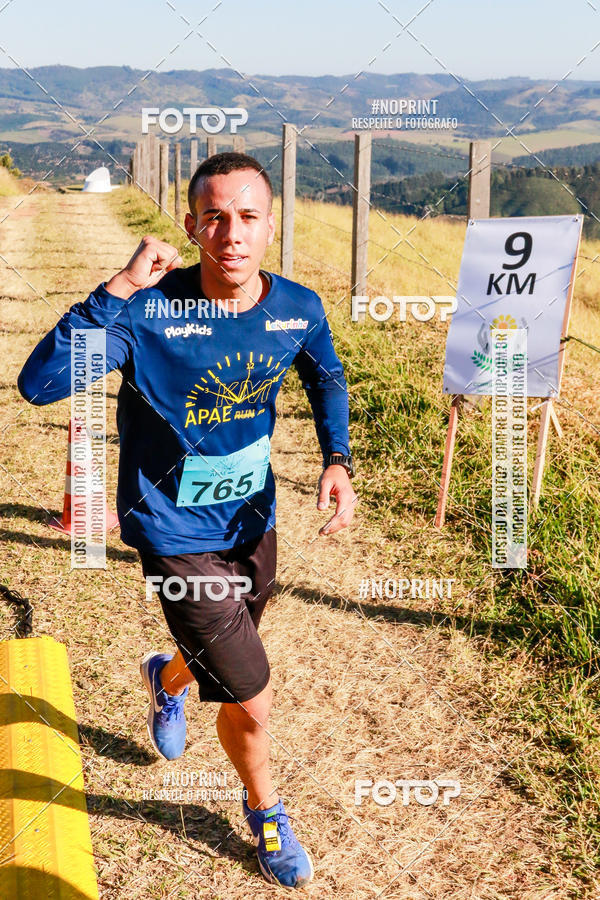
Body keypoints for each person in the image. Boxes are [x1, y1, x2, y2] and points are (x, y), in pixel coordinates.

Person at [17, 151, 356, 890]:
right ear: (193, 225)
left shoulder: (298, 305)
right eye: (214, 217)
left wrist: (338, 459)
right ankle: (265, 810)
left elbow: (326, 374)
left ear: (271, 225)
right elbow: (40, 384)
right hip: (172, 533)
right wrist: (118, 287)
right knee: (251, 692)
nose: (231, 233)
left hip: (250, 521)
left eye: (247, 216)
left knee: (223, 661)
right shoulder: (148, 312)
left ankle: (167, 679)